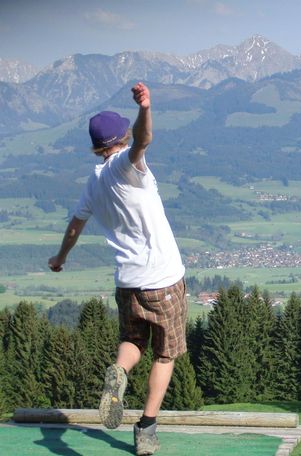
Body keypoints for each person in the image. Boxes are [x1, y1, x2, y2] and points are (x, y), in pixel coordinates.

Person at [48, 82, 187, 456]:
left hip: (127, 282)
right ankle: (146, 428)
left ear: (97, 146)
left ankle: (120, 373)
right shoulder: (128, 166)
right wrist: (145, 107)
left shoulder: (94, 182)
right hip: (163, 278)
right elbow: (144, 141)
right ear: (121, 137)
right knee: (165, 354)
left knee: (132, 342)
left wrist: (60, 258)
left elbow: (76, 224)